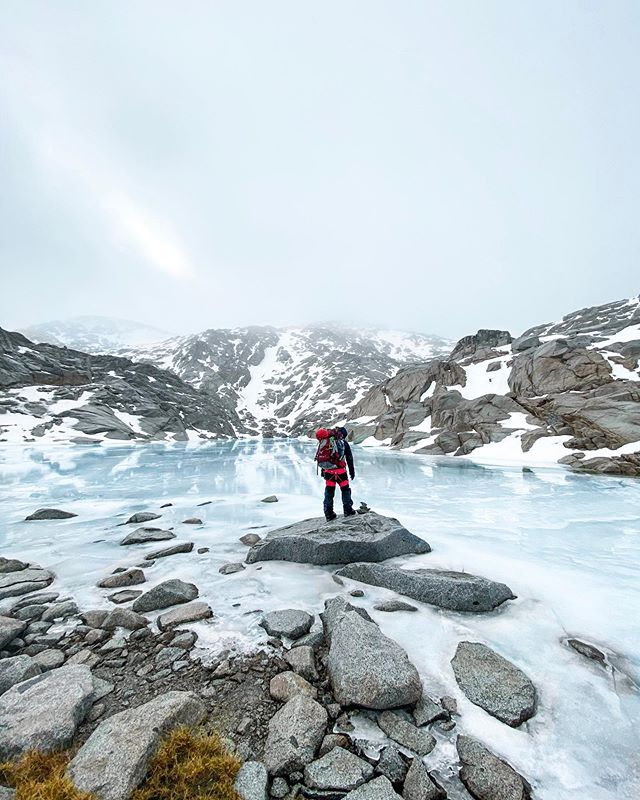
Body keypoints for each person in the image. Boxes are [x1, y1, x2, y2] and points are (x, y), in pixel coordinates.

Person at [316, 426, 356, 521]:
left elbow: (325, 457)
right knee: (345, 490)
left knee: (329, 492)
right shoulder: (343, 443)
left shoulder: (327, 441)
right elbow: (349, 458)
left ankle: (329, 513)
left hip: (329, 472)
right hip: (341, 472)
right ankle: (348, 510)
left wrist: (323, 470)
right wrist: (352, 471)